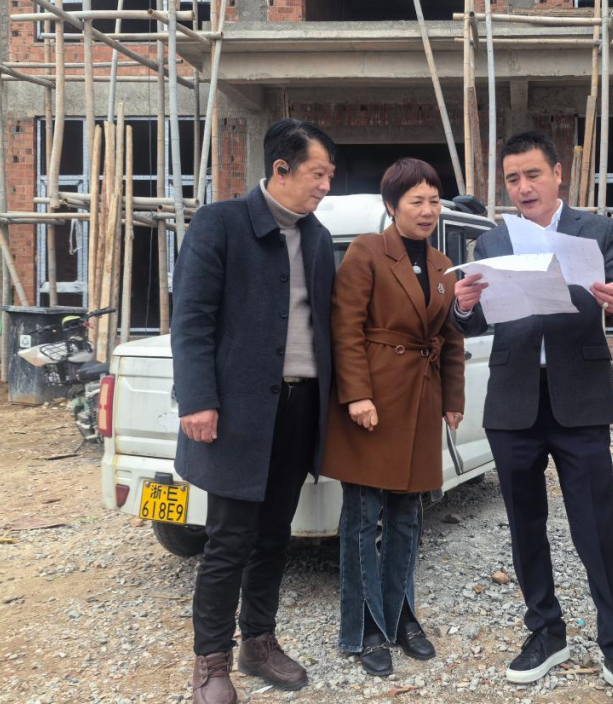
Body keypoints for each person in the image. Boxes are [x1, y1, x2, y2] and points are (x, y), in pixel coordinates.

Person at [454, 130, 613, 704]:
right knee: (526, 527)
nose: (523, 187)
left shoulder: (596, 230)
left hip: (579, 399)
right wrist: (463, 307)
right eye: (512, 179)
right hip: (513, 399)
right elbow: (473, 321)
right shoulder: (493, 240)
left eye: (532, 175)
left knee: (597, 529)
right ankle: (545, 632)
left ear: (558, 173)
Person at [171, 118, 338, 703]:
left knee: (274, 536)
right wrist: (198, 399)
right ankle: (211, 662)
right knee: (228, 540)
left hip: (299, 408)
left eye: (330, 175)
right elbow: (191, 318)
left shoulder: (317, 237)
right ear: (281, 169)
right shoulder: (220, 224)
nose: (325, 186)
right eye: (318, 173)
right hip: (237, 411)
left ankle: (259, 642)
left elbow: (327, 326)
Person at [321, 158, 466, 677]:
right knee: (363, 517)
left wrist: (453, 399)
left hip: (422, 399)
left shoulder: (444, 264)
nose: (428, 210)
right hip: (373, 402)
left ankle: (402, 617)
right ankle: (363, 629)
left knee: (408, 515)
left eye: (434, 201)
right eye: (416, 201)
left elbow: (450, 337)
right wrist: (356, 395)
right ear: (391, 205)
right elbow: (345, 326)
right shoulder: (367, 251)